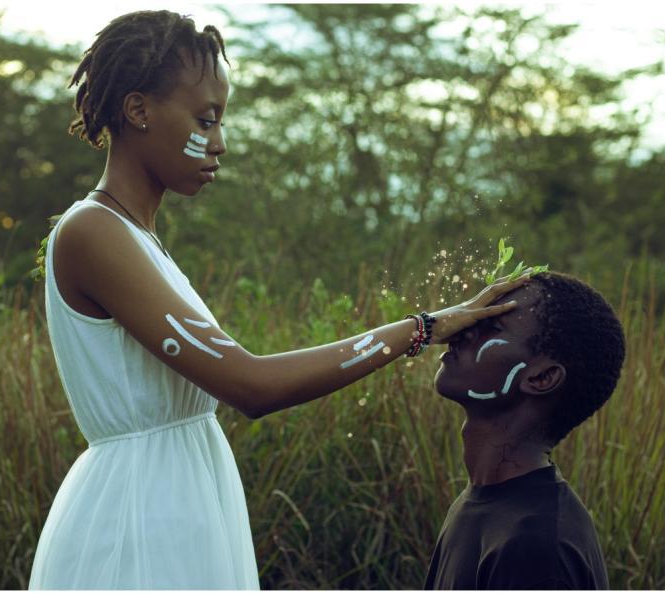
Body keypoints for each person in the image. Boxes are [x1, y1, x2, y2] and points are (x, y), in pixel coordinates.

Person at [28, 10, 530, 590]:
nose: (219, 142)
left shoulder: (137, 238)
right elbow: (252, 385)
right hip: (138, 517)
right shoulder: (94, 232)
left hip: (180, 501)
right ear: (138, 110)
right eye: (205, 119)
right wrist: (422, 327)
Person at [424, 271, 626, 590]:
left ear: (541, 378)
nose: (462, 330)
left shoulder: (536, 548)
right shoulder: (483, 501)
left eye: (491, 326)